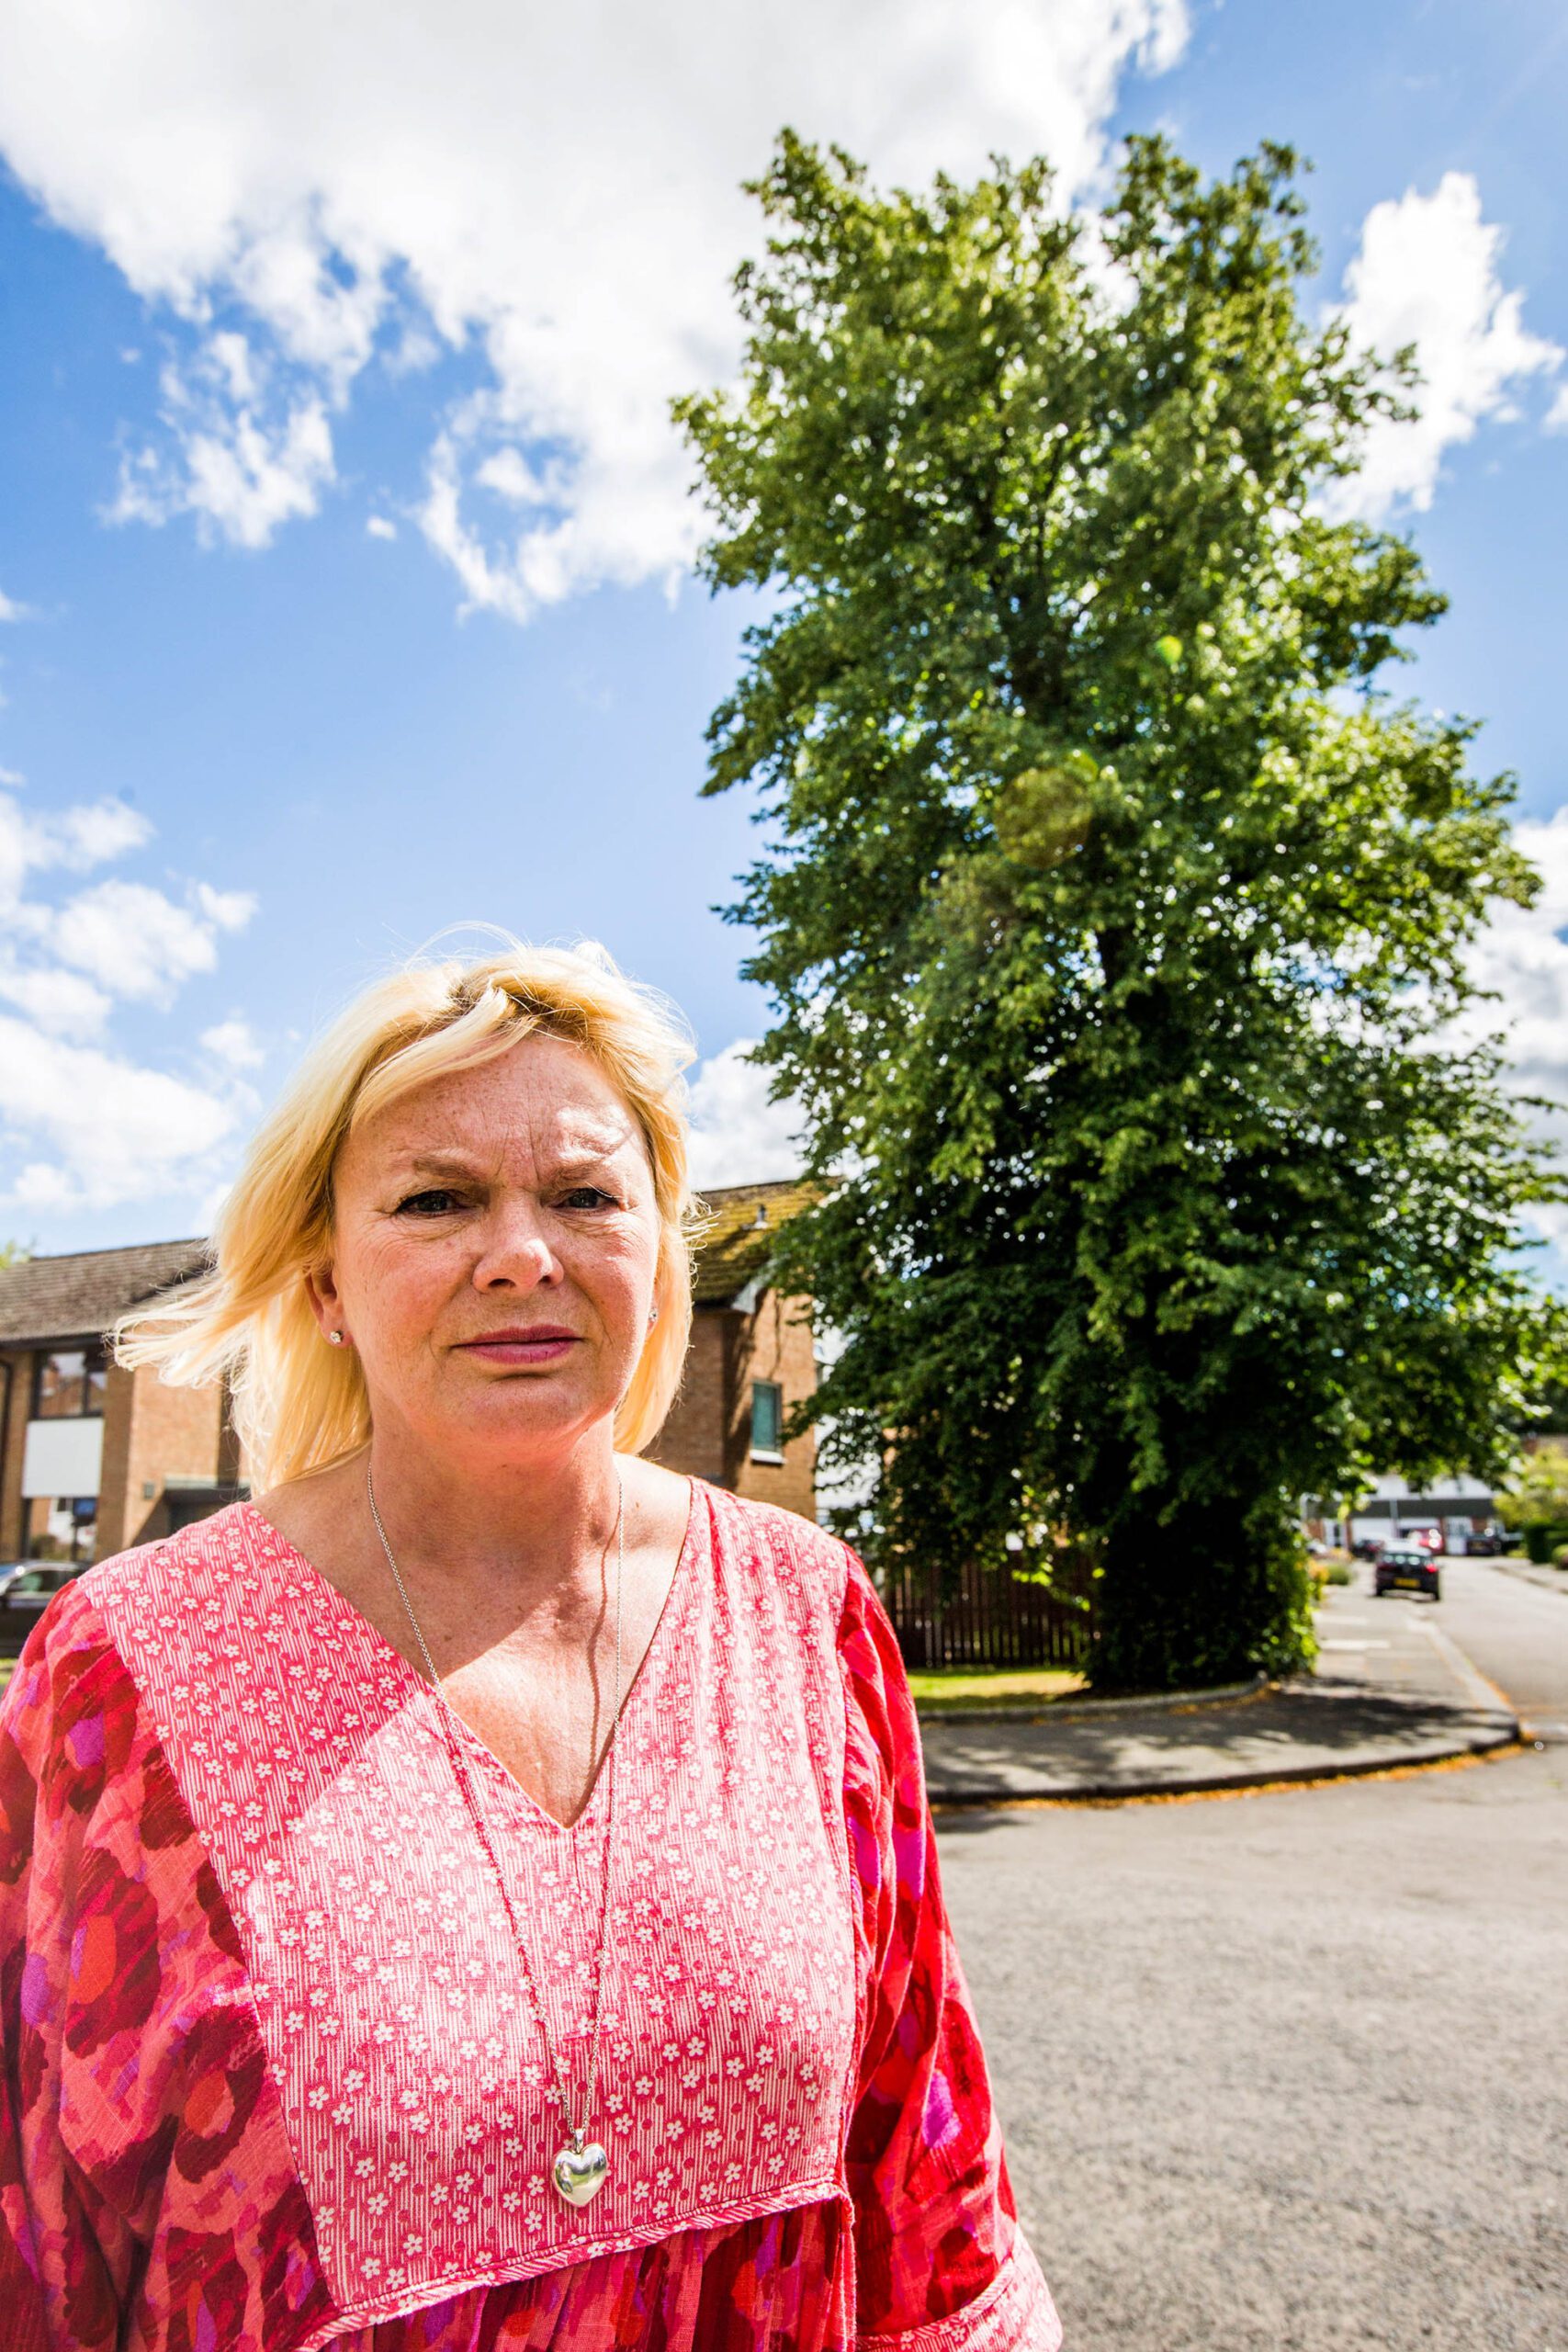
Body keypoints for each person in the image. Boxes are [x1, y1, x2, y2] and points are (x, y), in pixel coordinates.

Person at [0, 941, 1060, 2350]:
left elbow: (926, 2180)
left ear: (654, 1252)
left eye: (583, 1195)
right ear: (323, 1281)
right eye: (437, 1199)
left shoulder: (806, 1613)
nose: (521, 1252)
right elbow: (35, 2240)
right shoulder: (129, 1669)